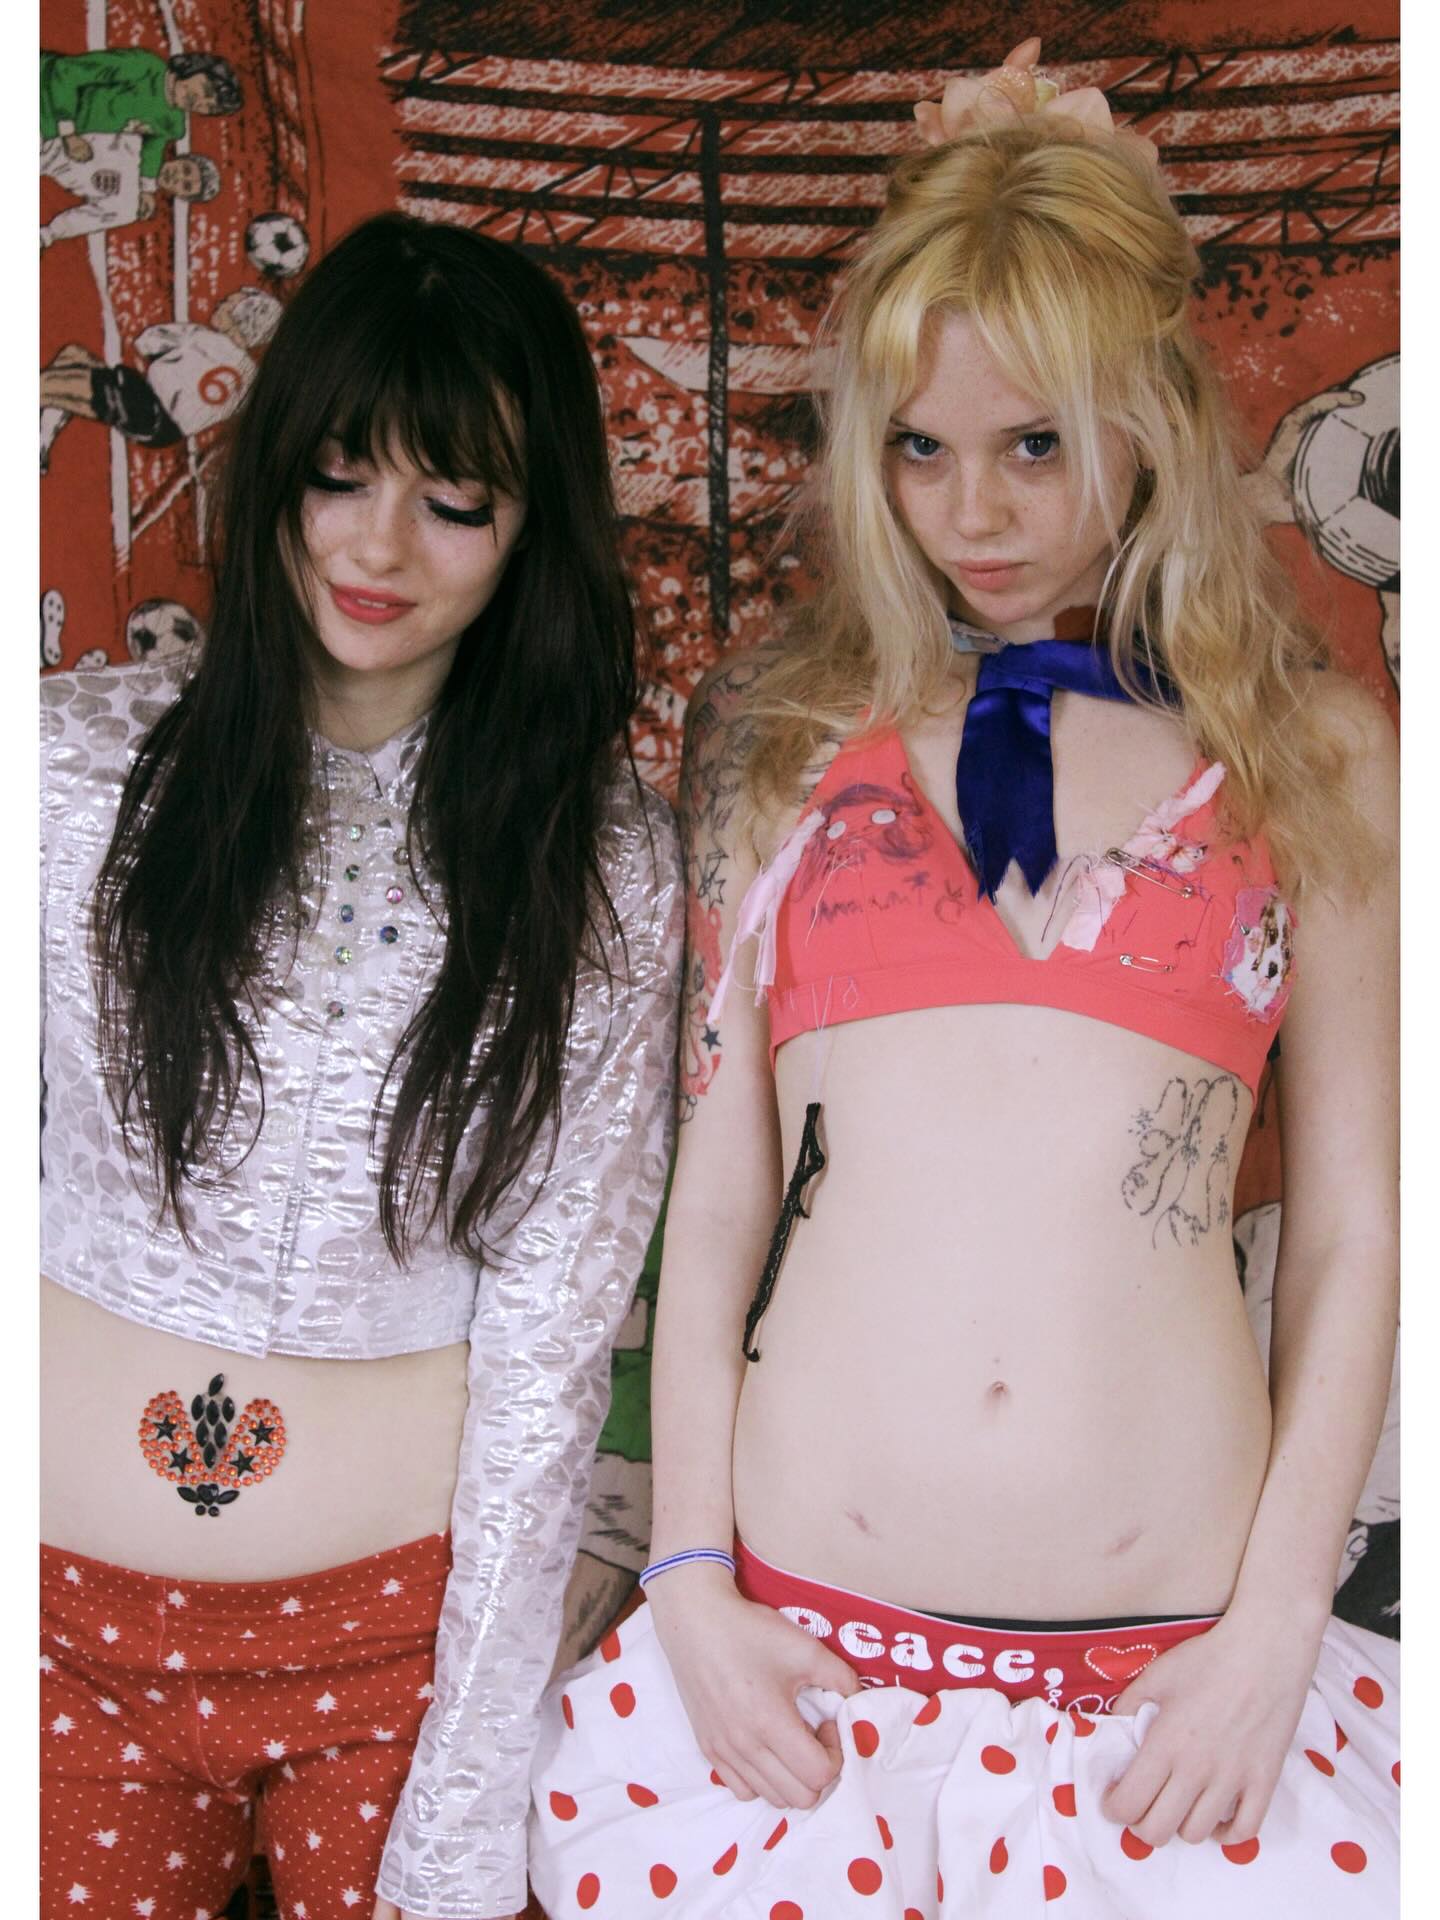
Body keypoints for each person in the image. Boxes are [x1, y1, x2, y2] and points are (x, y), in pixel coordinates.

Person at [528, 41, 1399, 1919]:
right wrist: (686, 1576)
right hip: (799, 1679)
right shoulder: (780, 739)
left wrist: (1276, 1629)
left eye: (1035, 446)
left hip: (1171, 1691)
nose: (974, 512)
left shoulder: (1315, 754)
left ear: (1151, 421)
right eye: (921, 449)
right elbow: (719, 1192)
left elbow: (1350, 1225)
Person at [40, 212, 682, 1920]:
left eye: (457, 500)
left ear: (535, 529)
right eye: (340, 475)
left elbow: (554, 1330)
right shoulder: (67, 777)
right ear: (276, 475)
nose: (380, 545)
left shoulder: (600, 866)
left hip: (393, 1655)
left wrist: (468, 1790)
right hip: (54, 1632)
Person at [41, 286, 283, 470]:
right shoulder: (250, 380)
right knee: (72, 356)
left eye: (228, 303)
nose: (220, 302)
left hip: (143, 401)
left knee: (44, 386)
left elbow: (146, 342)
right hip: (164, 432)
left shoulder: (202, 337)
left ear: (236, 319)